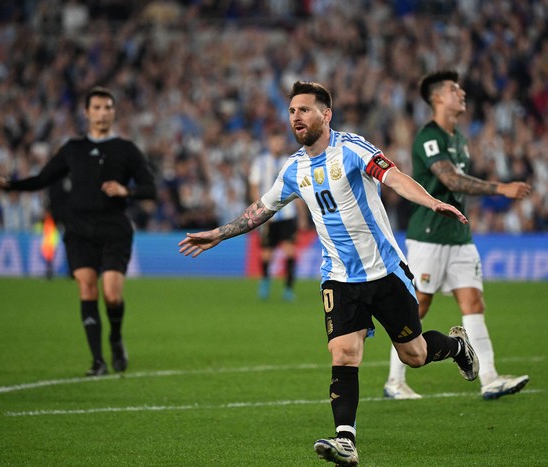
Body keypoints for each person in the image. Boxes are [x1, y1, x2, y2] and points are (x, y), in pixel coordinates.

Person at [179, 81, 479, 467]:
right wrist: (219, 235)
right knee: (344, 353)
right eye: (291, 112)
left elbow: (396, 177)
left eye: (304, 110)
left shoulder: (353, 149)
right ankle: (346, 441)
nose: (296, 118)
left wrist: (432, 201)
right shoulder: (293, 169)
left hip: (384, 272)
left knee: (415, 355)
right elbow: (262, 208)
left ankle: (456, 346)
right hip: (338, 277)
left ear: (326, 114)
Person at [0, 86, 156, 377]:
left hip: (114, 228)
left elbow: (150, 188)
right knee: (87, 287)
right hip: (79, 230)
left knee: (111, 295)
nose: (103, 113)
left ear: (114, 112)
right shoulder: (72, 149)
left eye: (108, 107)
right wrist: (9, 185)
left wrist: (126, 189)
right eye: (97, 108)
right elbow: (41, 179)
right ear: (87, 113)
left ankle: (115, 337)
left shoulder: (126, 149)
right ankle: (98, 361)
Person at [383, 69, 532, 401]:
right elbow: (451, 181)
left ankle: (490, 378)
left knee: (474, 302)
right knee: (418, 306)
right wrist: (500, 188)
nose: (461, 92)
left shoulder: (459, 140)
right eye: (454, 89)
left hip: (460, 237)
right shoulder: (428, 137)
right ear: (437, 97)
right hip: (429, 236)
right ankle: (395, 381)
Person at [248, 127, 306, 301]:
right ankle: (265, 281)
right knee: (266, 253)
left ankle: (288, 289)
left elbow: (298, 191)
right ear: (269, 142)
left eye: (280, 141)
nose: (278, 144)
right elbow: (254, 188)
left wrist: (302, 215)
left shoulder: (290, 162)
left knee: (290, 251)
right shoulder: (259, 162)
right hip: (268, 216)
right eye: (275, 141)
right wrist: (259, 212)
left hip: (287, 215)